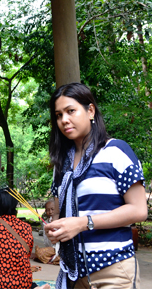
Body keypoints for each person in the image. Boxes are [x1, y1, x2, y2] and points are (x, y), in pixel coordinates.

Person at [45, 82, 147, 289]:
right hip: (74, 274)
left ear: (90, 110)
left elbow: (139, 210)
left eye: (71, 111)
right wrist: (55, 229)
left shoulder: (115, 151)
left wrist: (83, 223)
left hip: (113, 270)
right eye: (58, 115)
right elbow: (61, 215)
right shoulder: (61, 165)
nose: (64, 120)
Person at [33, 199, 59, 264]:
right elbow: (47, 243)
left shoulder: (61, 221)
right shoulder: (46, 223)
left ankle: (54, 259)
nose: (50, 212)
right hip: (52, 249)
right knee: (39, 252)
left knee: (40, 253)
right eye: (48, 210)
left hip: (60, 249)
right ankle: (54, 259)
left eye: (52, 209)